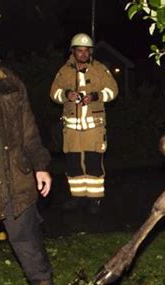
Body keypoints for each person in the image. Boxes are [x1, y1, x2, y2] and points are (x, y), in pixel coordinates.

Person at [0, 62, 65, 285]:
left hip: (17, 186)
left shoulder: (10, 81)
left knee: (32, 253)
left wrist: (39, 166)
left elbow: (29, 131)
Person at [50, 33, 118, 214]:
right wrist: (66, 95)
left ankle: (95, 200)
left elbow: (113, 90)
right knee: (73, 164)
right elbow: (53, 93)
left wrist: (96, 95)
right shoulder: (64, 71)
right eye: (79, 51)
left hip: (94, 129)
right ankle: (77, 197)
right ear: (73, 51)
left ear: (90, 52)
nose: (83, 54)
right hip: (71, 130)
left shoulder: (100, 69)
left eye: (86, 51)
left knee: (93, 163)